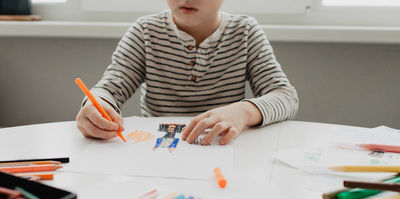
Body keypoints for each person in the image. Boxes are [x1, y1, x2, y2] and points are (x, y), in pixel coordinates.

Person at [76, 0, 298, 145]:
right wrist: (96, 105)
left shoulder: (245, 31)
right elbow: (109, 89)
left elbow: (285, 97)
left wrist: (244, 111)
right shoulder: (146, 31)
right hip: (161, 148)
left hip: (221, 147)